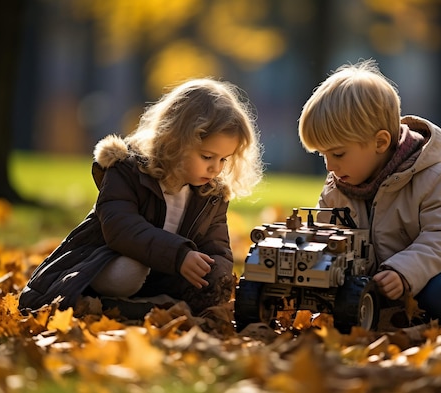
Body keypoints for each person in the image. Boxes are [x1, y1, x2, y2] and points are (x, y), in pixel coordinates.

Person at [18, 78, 263, 318]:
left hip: (164, 275)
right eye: (207, 157)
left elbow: (216, 245)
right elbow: (121, 229)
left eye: (224, 159)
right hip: (104, 264)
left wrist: (215, 275)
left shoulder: (211, 193)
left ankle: (141, 306)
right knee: (129, 271)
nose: (216, 169)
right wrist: (179, 255)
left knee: (208, 280)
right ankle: (108, 302)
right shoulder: (127, 170)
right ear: (175, 141)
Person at [298, 59, 441, 328]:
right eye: (322, 155)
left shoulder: (439, 179)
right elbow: (329, 241)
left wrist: (403, 271)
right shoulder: (337, 189)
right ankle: (402, 318)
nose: (329, 165)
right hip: (386, 285)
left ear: (380, 142)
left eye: (337, 153)